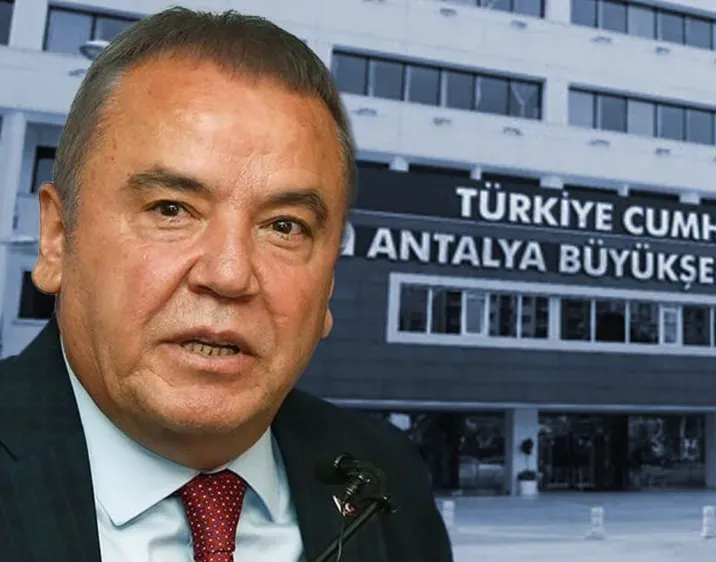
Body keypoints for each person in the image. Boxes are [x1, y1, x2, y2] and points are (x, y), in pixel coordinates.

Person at [0, 7, 452, 562]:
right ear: (56, 240)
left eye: (284, 226)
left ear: (330, 280)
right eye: (171, 209)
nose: (229, 274)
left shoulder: (385, 477)